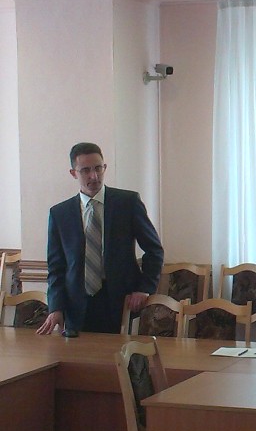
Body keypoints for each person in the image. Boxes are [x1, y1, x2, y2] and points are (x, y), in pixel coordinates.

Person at [37, 142, 164, 336]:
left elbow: (154, 250)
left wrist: (144, 288)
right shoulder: (60, 214)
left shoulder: (127, 203)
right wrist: (56, 307)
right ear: (73, 173)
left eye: (98, 168)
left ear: (105, 167)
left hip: (121, 301)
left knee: (120, 354)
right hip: (77, 305)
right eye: (85, 170)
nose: (94, 176)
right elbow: (56, 267)